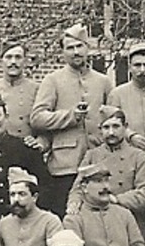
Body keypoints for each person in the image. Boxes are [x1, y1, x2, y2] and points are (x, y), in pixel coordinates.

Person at [29, 24, 114, 216]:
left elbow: (113, 116)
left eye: (79, 46)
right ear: (63, 52)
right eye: (70, 47)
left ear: (88, 48)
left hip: (98, 161)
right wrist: (70, 116)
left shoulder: (103, 82)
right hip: (64, 165)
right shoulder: (53, 80)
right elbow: (37, 118)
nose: (76, 52)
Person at [63, 163, 145, 246]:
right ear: (84, 187)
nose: (106, 187)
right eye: (98, 181)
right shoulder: (74, 219)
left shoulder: (124, 213)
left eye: (107, 180)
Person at [70, 105, 145, 228]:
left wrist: (117, 199)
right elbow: (78, 188)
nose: (111, 132)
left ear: (125, 127)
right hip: (97, 220)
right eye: (106, 127)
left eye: (116, 126)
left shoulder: (138, 157)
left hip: (129, 220)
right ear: (100, 129)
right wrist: (74, 203)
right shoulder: (92, 155)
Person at [0, 40, 41, 145]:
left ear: (25, 61)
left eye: (18, 57)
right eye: (8, 57)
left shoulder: (36, 89)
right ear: (1, 61)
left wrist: (39, 142)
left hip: (26, 150)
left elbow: (44, 126)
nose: (13, 62)